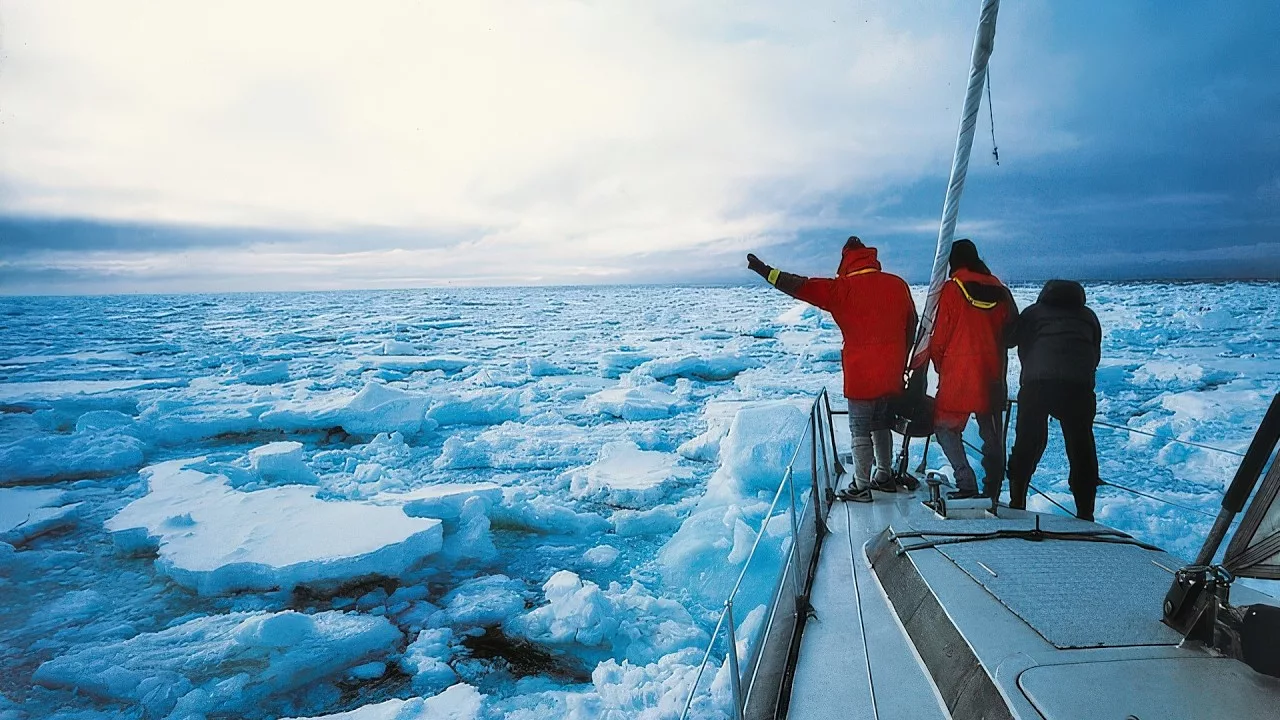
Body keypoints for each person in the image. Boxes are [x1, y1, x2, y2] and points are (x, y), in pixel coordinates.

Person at [747, 236, 917, 502]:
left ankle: (861, 485)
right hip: (892, 372)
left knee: (860, 428)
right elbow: (912, 324)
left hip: (861, 375)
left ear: (845, 260)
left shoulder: (842, 289)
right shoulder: (898, 285)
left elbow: (799, 286)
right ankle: (884, 475)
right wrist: (902, 362)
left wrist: (765, 271)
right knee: (882, 424)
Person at [919, 239, 1016, 500]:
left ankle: (966, 482)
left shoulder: (952, 290)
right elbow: (1011, 333)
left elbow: (939, 338)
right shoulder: (1001, 291)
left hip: (958, 375)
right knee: (992, 437)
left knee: (945, 428)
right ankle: (993, 491)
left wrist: (941, 366)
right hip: (992, 375)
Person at [1007, 279, 1102, 521]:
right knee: (1081, 447)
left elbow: (1014, 341)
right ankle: (1085, 511)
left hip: (1038, 385)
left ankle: (1017, 500)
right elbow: (1095, 353)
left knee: (1028, 442)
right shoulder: (1088, 317)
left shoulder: (1033, 313)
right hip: (1078, 388)